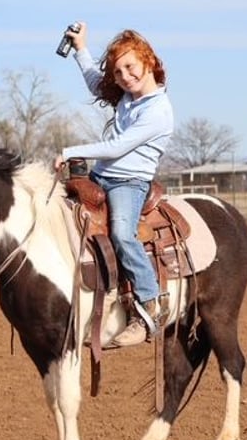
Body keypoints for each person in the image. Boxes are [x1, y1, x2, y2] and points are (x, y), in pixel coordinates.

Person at [53, 23, 174, 347]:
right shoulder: (127, 96)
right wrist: (80, 48)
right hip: (102, 176)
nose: (124, 76)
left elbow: (117, 147)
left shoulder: (158, 111)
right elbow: (97, 84)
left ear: (148, 61)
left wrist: (71, 152)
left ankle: (150, 304)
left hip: (128, 183)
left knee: (122, 233)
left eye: (130, 67)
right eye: (118, 72)